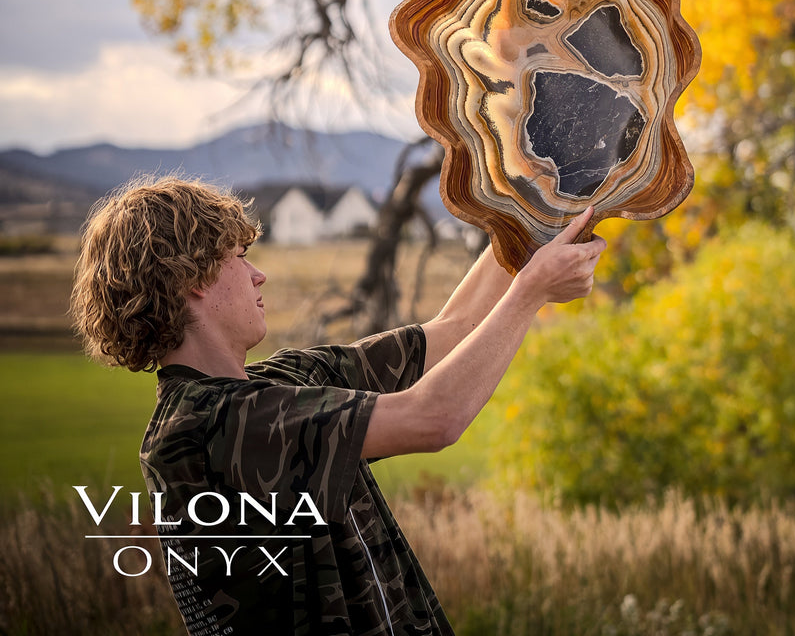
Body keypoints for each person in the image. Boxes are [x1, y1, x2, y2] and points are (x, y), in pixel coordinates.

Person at [69, 175, 604, 636]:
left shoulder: (278, 384)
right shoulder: (207, 429)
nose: (259, 275)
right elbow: (434, 418)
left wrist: (532, 205)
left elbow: (454, 331)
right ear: (191, 279)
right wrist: (531, 292)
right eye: (237, 257)